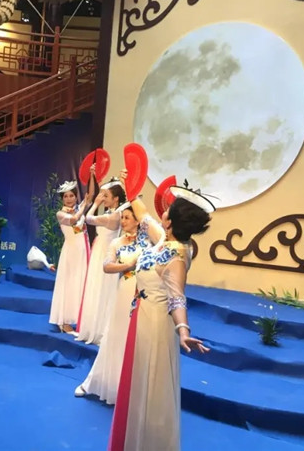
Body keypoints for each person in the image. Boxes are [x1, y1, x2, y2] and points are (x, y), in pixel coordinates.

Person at [108, 182, 213, 451]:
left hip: (155, 325)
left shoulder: (176, 256)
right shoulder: (165, 239)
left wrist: (183, 330)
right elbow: (142, 214)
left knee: (151, 390)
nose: (162, 212)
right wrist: (130, 184)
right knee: (138, 386)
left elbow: (177, 297)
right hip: (141, 317)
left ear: (169, 221)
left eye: (168, 210)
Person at [75, 202, 150, 403]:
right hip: (123, 291)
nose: (123, 221)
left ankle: (131, 390)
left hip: (143, 294)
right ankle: (103, 382)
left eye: (127, 218)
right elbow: (106, 266)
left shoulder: (149, 243)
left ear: (137, 221)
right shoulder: (117, 243)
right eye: (122, 217)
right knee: (116, 335)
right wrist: (127, 265)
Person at [76, 177, 126, 344]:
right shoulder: (112, 213)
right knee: (96, 288)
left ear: (116, 198)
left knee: (102, 289)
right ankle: (92, 326)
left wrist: (95, 204)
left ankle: (100, 329)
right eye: (102, 195)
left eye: (106, 196)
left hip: (105, 253)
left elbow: (89, 218)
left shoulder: (113, 216)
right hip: (100, 251)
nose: (103, 198)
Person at [49, 180, 91, 333]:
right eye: (65, 196)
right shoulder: (61, 214)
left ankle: (77, 319)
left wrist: (92, 174)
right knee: (68, 284)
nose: (69, 199)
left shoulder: (79, 208)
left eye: (71, 196)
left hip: (82, 251)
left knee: (80, 284)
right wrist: (83, 207)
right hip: (71, 252)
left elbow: (91, 195)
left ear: (75, 196)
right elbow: (74, 220)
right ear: (62, 199)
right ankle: (64, 321)